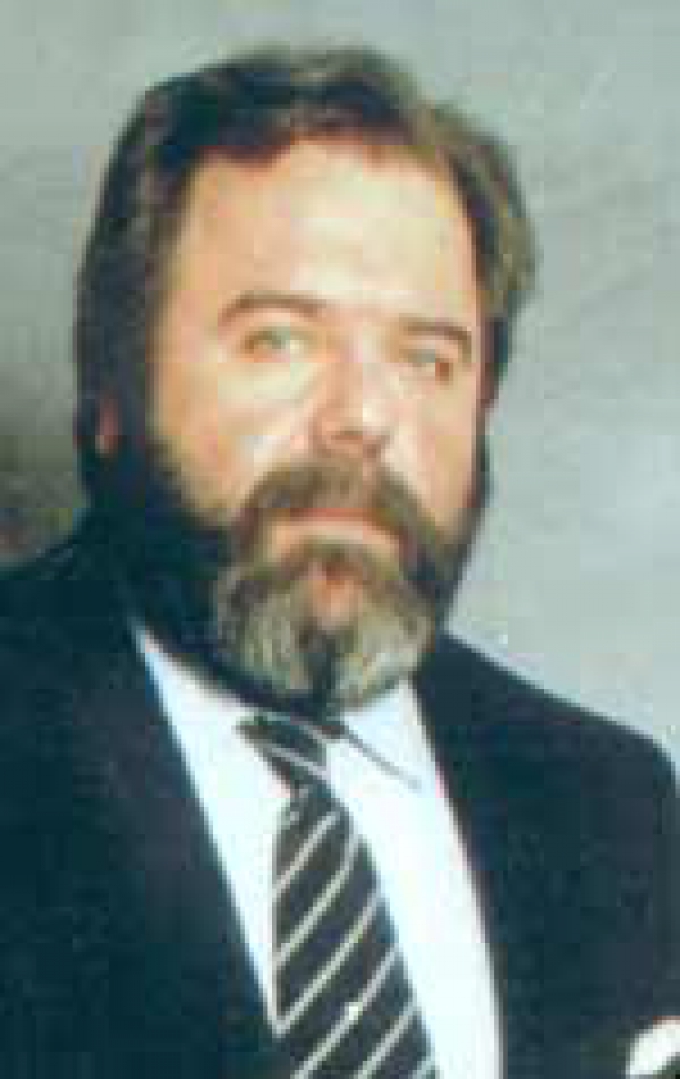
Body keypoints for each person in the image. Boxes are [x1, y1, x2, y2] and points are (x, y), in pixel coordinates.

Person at [0, 46, 678, 1079]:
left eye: (426, 357)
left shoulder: (607, 804)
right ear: (109, 391)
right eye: (280, 339)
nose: (363, 415)